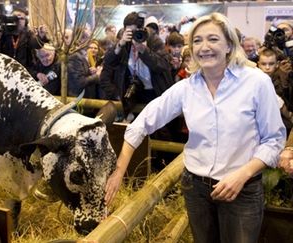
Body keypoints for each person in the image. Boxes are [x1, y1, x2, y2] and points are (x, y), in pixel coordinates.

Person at [105, 13, 286, 243]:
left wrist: (243, 174)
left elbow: (274, 139)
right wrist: (119, 171)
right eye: (197, 41)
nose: (204, 47)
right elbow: (144, 121)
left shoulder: (256, 82)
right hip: (197, 188)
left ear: (229, 44)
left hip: (242, 190)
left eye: (213, 39)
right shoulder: (186, 88)